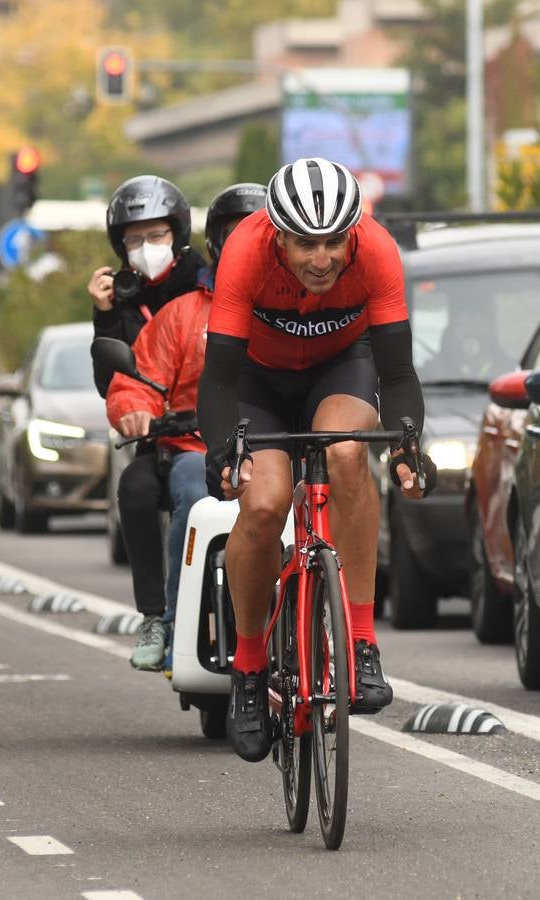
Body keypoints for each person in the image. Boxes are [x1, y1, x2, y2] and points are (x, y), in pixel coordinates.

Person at [197, 158, 435, 762]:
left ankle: (359, 643)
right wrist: (223, 451)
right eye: (305, 242)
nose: (322, 257)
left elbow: (399, 372)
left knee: (348, 452)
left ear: (353, 231)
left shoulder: (376, 250)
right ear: (277, 233)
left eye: (334, 241)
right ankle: (250, 670)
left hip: (340, 366)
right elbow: (221, 378)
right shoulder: (245, 254)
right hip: (256, 380)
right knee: (265, 502)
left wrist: (409, 444)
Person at [106, 183, 268, 672]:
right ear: (216, 243)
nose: (245, 246)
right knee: (194, 490)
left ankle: (333, 628)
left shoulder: (301, 312)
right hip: (195, 449)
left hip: (280, 448)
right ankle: (175, 623)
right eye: (233, 235)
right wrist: (134, 408)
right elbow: (138, 379)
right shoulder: (181, 314)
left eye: (258, 236)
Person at [89, 175, 206, 397]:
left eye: (156, 236)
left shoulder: (206, 288)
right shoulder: (120, 299)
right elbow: (109, 387)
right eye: (134, 240)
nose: (145, 248)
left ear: (177, 236)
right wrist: (106, 316)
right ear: (122, 247)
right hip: (149, 423)